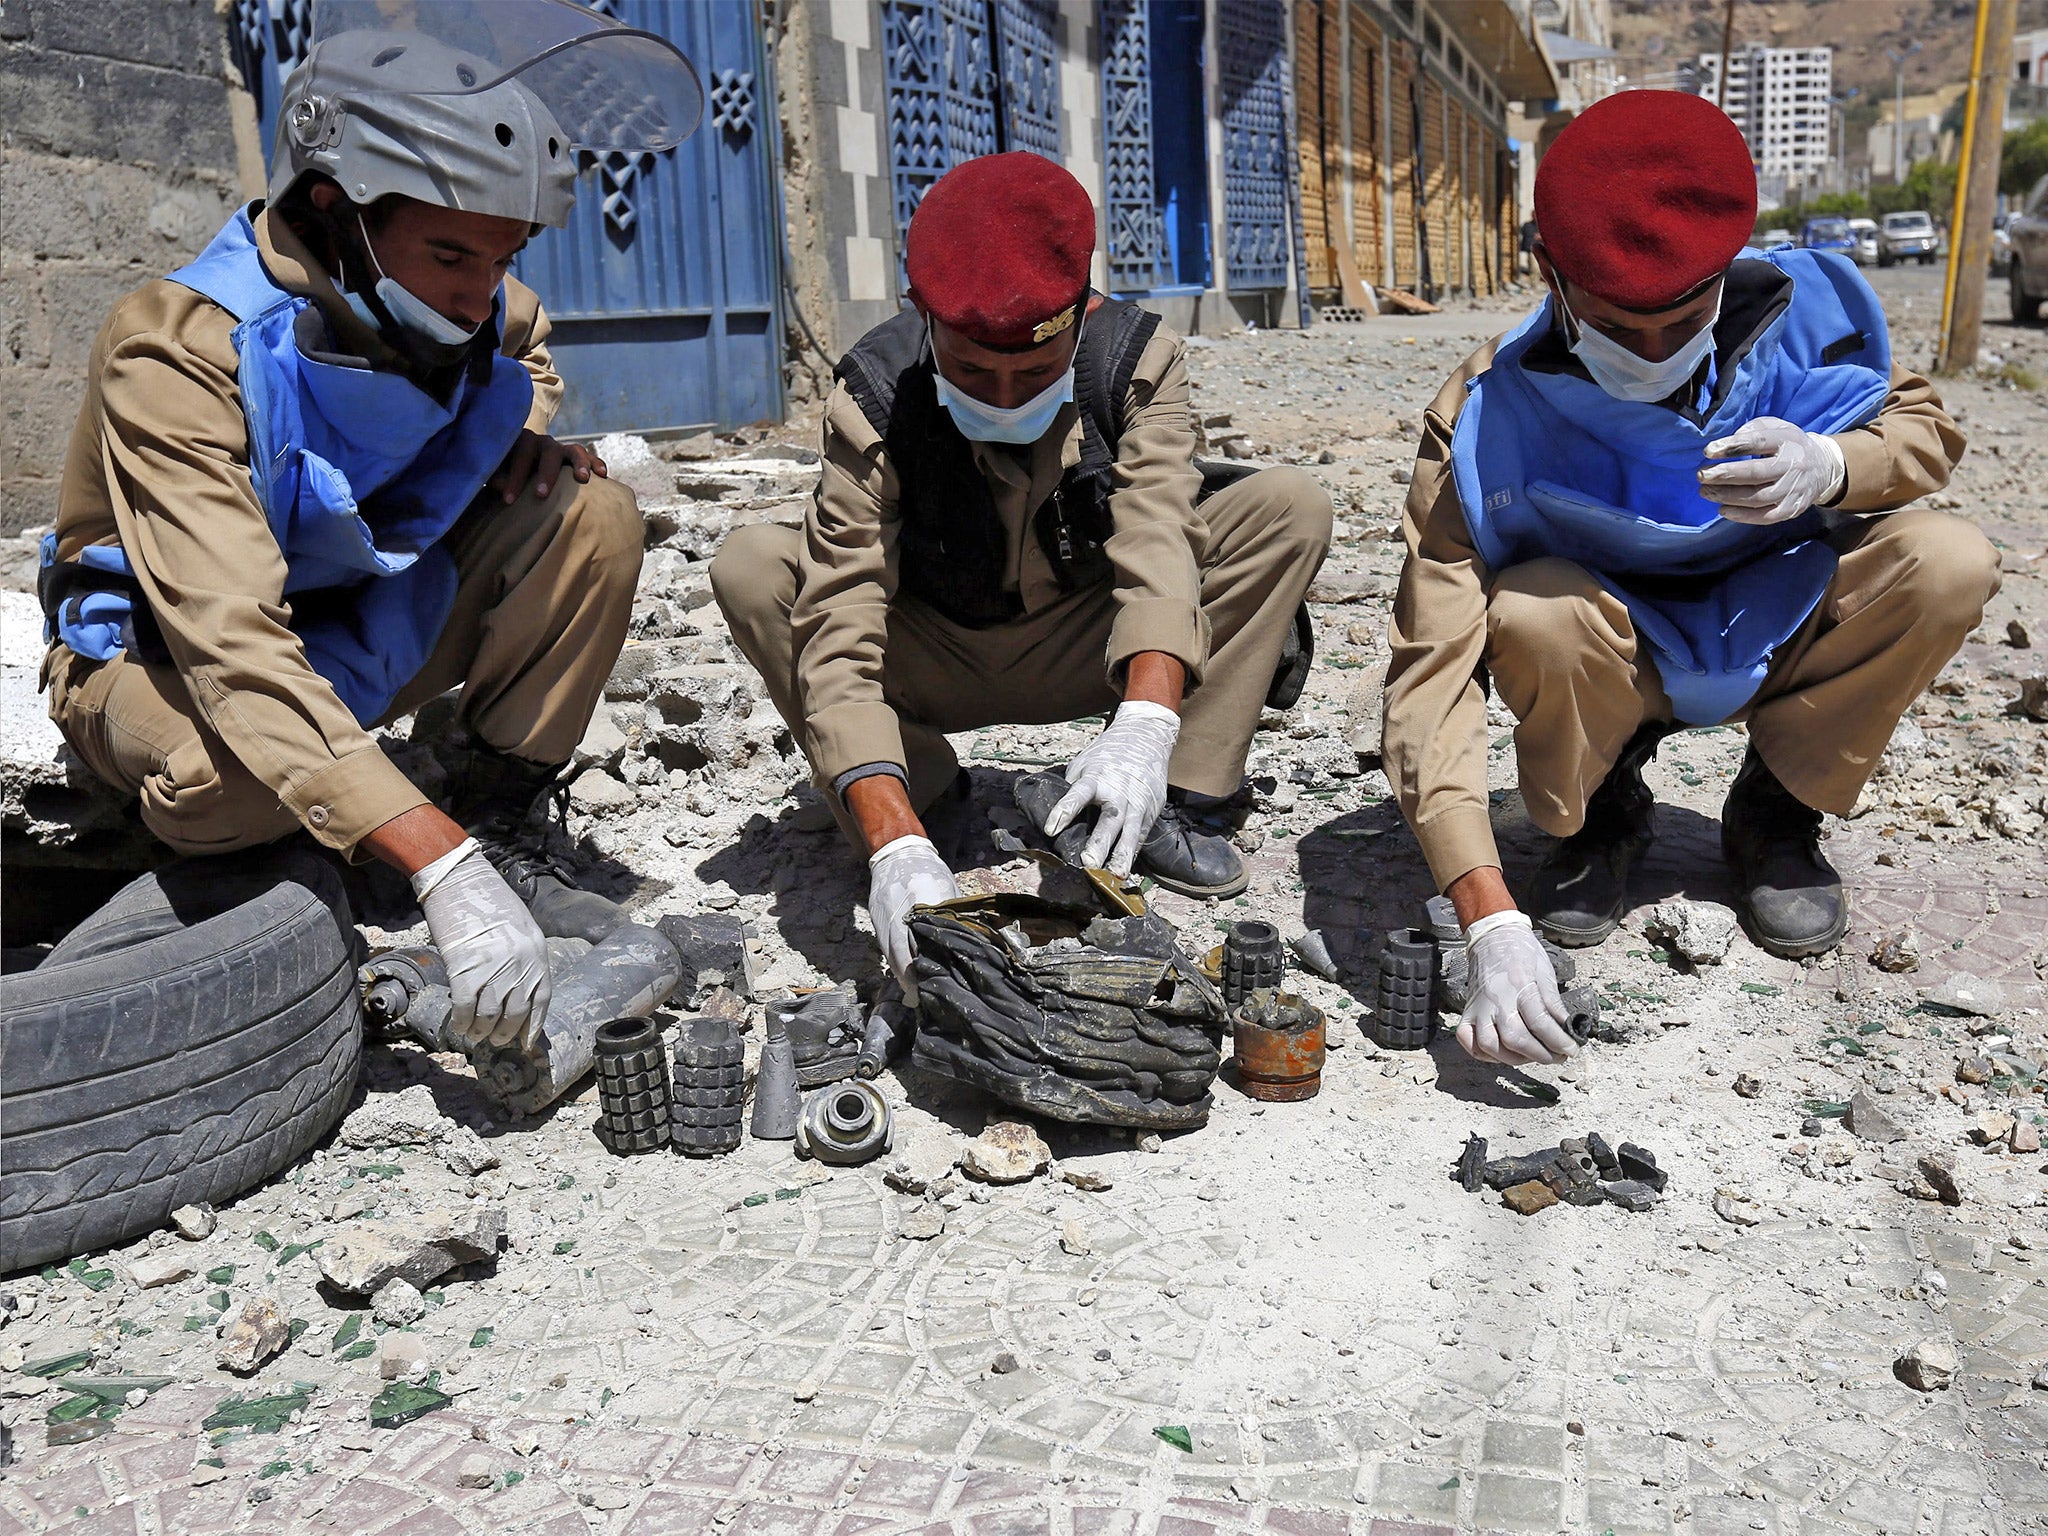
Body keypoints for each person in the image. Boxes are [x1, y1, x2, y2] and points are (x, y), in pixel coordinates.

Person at [37, 14, 701, 1048]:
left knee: (589, 515)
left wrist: (524, 433)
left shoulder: (472, 294)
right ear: (330, 209)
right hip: (165, 658)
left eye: (502, 257)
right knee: (222, 785)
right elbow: (232, 644)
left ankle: (495, 811)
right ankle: (350, 835)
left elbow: (524, 351)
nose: (478, 293)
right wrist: (438, 867)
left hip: (351, 616)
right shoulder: (174, 353)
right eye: (449, 257)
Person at [1382, 91, 1996, 1068]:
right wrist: (1485, 916)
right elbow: (1430, 672)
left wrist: (1832, 464)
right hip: (1611, 653)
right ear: (1550, 272)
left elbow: (1926, 435)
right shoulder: (1485, 416)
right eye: (1619, 327)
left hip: (1777, 618)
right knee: (1530, 608)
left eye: (1684, 317)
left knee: (1947, 560)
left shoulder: (1816, 319)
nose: (1656, 353)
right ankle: (1601, 815)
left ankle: (1773, 815)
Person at [712, 153, 1332, 997]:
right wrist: (892, 848)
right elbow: (842, 610)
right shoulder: (873, 395)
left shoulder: (1136, 361)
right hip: (935, 655)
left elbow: (1161, 549)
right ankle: (919, 801)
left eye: (1036, 371)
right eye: (971, 370)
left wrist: (1146, 726)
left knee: (1287, 505)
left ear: (1080, 313)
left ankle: (1175, 800)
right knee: (752, 566)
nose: (1004, 397)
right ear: (922, 318)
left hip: (1091, 643)